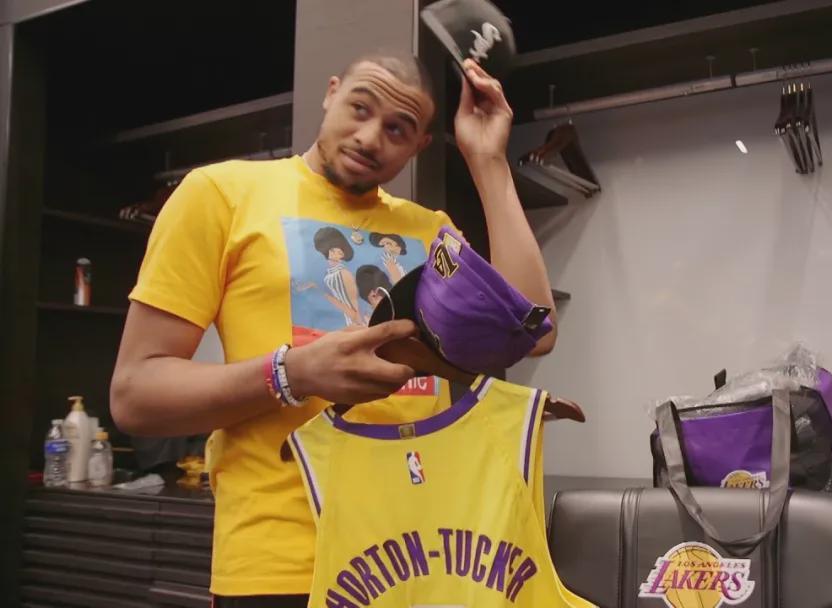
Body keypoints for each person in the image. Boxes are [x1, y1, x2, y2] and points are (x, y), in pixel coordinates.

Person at [110, 51, 558, 608]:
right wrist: (292, 374)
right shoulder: (221, 194)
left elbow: (533, 331)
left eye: (397, 129)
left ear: (419, 145)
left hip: (422, 559)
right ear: (330, 92)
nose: (370, 138)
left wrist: (487, 159)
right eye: (359, 108)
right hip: (282, 565)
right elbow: (135, 395)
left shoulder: (429, 231)